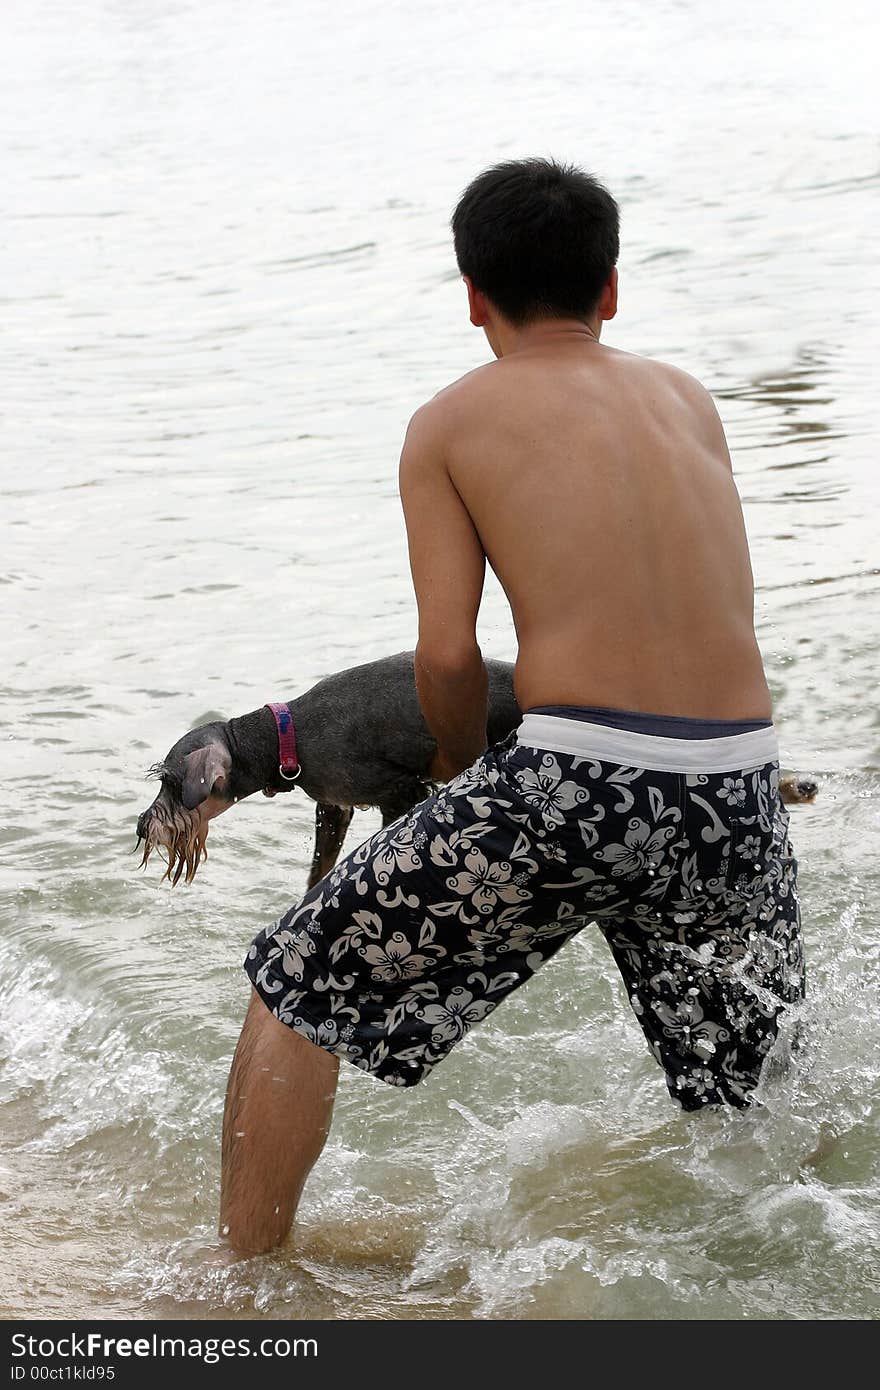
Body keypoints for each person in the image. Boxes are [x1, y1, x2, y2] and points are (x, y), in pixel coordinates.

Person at [219, 158, 804, 1255]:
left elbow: (447, 654)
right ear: (612, 288)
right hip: (737, 779)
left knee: (295, 982)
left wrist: (451, 765)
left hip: (579, 773)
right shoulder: (688, 399)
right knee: (749, 1094)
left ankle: (240, 1277)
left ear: (472, 294)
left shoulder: (450, 421)